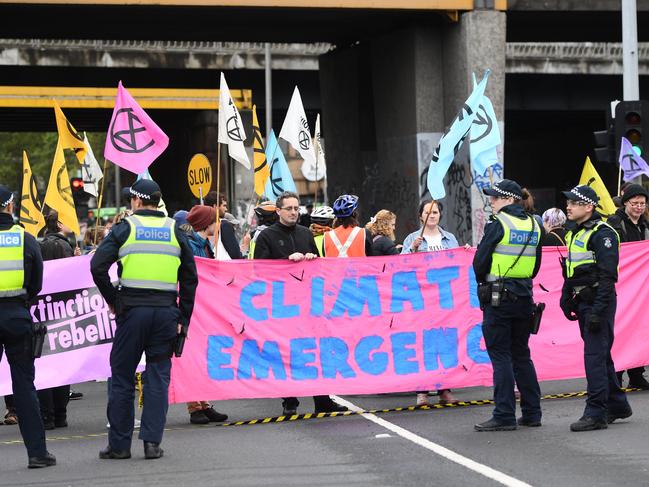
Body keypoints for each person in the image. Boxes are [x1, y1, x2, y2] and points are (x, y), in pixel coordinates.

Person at [91, 179, 198, 459]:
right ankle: (152, 444)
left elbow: (97, 266)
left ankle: (119, 446)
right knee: (157, 378)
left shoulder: (125, 228)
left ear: (137, 202)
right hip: (165, 314)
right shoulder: (175, 230)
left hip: (131, 313)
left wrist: (114, 301)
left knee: (123, 377)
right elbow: (190, 278)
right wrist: (182, 318)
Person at [253, 191, 347, 416]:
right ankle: (290, 399)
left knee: (316, 350)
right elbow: (258, 270)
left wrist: (312, 259)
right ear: (278, 211)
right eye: (289, 209)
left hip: (308, 304)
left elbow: (319, 267)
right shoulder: (266, 237)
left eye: (297, 208)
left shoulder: (306, 234)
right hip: (282, 305)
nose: (294, 212)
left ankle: (322, 399)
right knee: (286, 352)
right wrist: (286, 263)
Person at [473, 179, 543, 432]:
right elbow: (534, 267)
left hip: (499, 298)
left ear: (509, 199)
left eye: (495, 198)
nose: (491, 202)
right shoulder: (535, 224)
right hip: (524, 297)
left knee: (501, 356)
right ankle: (532, 412)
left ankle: (503, 415)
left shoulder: (499, 223)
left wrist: (485, 281)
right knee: (521, 355)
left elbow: (480, 262)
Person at [560, 184, 632, 432]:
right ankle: (617, 405)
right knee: (601, 356)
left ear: (588, 206)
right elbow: (571, 270)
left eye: (573, 203)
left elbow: (607, 277)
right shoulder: (575, 232)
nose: (567, 206)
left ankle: (596, 413)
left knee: (594, 358)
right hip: (583, 301)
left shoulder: (604, 234)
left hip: (598, 302)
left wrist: (597, 311)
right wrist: (565, 297)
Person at [0, 185, 55, 468]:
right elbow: (37, 284)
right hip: (17, 316)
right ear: (10, 206)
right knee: (24, 386)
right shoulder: (25, 238)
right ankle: (37, 454)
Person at [401, 200, 459, 406]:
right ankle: (422, 391)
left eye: (435, 212)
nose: (432, 215)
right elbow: (400, 265)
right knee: (422, 343)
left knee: (445, 342)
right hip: (422, 300)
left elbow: (458, 264)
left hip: (445, 300)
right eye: (428, 212)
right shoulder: (412, 238)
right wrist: (411, 249)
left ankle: (445, 388)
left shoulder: (450, 238)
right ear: (421, 216)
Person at [183, 205, 229, 424]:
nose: (217, 224)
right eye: (214, 220)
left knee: (204, 356)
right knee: (194, 357)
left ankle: (205, 403)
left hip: (205, 307)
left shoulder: (205, 245)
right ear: (206, 224)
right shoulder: (190, 246)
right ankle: (194, 407)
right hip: (193, 308)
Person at [38, 211, 79, 430]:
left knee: (44, 364)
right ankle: (60, 414)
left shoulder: (40, 245)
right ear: (60, 223)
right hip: (63, 312)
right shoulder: (63, 246)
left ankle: (47, 416)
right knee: (62, 363)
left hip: (43, 312)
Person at [607, 184, 649, 389]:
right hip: (621, 283)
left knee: (639, 329)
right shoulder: (614, 223)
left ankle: (637, 373)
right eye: (635, 203)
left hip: (641, 287)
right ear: (625, 203)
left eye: (642, 203)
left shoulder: (646, 225)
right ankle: (616, 373)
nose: (639, 207)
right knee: (621, 329)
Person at [204, 191, 243, 259]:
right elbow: (236, 255)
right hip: (223, 267)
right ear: (215, 206)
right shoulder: (225, 225)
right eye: (224, 205)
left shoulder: (201, 225)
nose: (226, 209)